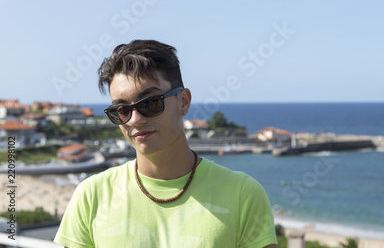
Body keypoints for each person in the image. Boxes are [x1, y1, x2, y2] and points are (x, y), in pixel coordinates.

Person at [54, 40, 277, 248]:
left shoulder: (243, 195)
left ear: (183, 101)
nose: (135, 119)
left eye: (150, 103)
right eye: (122, 110)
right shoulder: (92, 196)